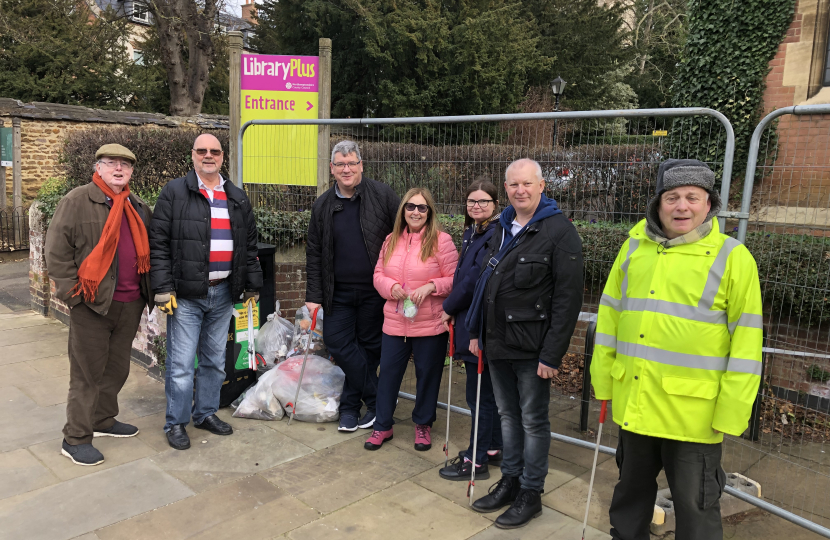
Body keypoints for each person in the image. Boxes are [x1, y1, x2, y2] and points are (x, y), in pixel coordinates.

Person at [590, 159, 763, 540]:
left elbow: (747, 342)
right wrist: (603, 382)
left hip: (693, 417)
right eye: (672, 197)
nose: (681, 206)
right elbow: (610, 319)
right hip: (636, 403)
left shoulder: (733, 258)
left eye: (692, 197)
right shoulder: (633, 248)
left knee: (696, 508)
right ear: (658, 204)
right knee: (629, 498)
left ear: (708, 204)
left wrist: (732, 410)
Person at [466, 158, 584, 529]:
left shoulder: (559, 231)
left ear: (542, 186)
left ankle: (531, 492)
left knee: (533, 421)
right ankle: (511, 481)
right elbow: (485, 285)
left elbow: (568, 299)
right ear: (506, 188)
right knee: (508, 416)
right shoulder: (502, 226)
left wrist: (552, 354)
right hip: (497, 344)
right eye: (514, 184)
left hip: (533, 350)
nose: (520, 190)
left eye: (527, 184)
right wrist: (477, 333)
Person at [149, 133, 262, 451]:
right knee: (182, 365)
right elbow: (158, 244)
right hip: (186, 295)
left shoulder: (236, 196)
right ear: (193, 155)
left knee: (214, 362)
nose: (208, 155)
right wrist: (163, 287)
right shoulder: (174, 192)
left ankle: (205, 413)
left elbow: (248, 245)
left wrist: (252, 284)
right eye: (202, 151)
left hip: (224, 292)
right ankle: (176, 422)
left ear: (222, 157)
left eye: (214, 151)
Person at [45, 144, 153, 466]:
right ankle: (75, 438)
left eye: (125, 165)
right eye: (111, 163)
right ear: (98, 167)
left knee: (117, 369)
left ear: (131, 171)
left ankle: (103, 419)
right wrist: (73, 297)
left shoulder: (137, 206)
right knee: (86, 374)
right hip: (91, 305)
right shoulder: (77, 201)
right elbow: (56, 251)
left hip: (130, 303)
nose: (119, 169)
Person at [305, 140, 400, 432]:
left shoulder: (383, 195)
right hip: (338, 293)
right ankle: (378, 399)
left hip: (375, 291)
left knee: (369, 348)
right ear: (332, 169)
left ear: (361, 165)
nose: (346, 169)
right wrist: (313, 295)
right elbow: (314, 252)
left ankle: (349, 408)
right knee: (338, 343)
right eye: (340, 164)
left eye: (351, 163)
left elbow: (403, 236)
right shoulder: (322, 205)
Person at [364, 188, 459, 451]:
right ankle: (382, 425)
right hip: (395, 323)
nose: (415, 212)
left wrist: (431, 286)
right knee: (388, 376)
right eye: (410, 206)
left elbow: (455, 279)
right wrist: (390, 287)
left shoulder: (442, 241)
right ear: (403, 210)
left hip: (430, 323)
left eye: (422, 207)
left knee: (427, 376)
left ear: (429, 212)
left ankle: (423, 425)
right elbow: (378, 275)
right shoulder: (391, 240)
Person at [438, 180, 503, 481]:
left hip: (479, 324)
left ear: (495, 204)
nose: (476, 206)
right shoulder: (473, 232)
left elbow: (474, 278)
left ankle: (476, 461)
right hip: (470, 320)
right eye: (471, 201)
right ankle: (492, 447)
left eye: (483, 201)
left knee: (479, 396)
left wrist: (449, 306)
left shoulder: (494, 234)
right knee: (484, 392)